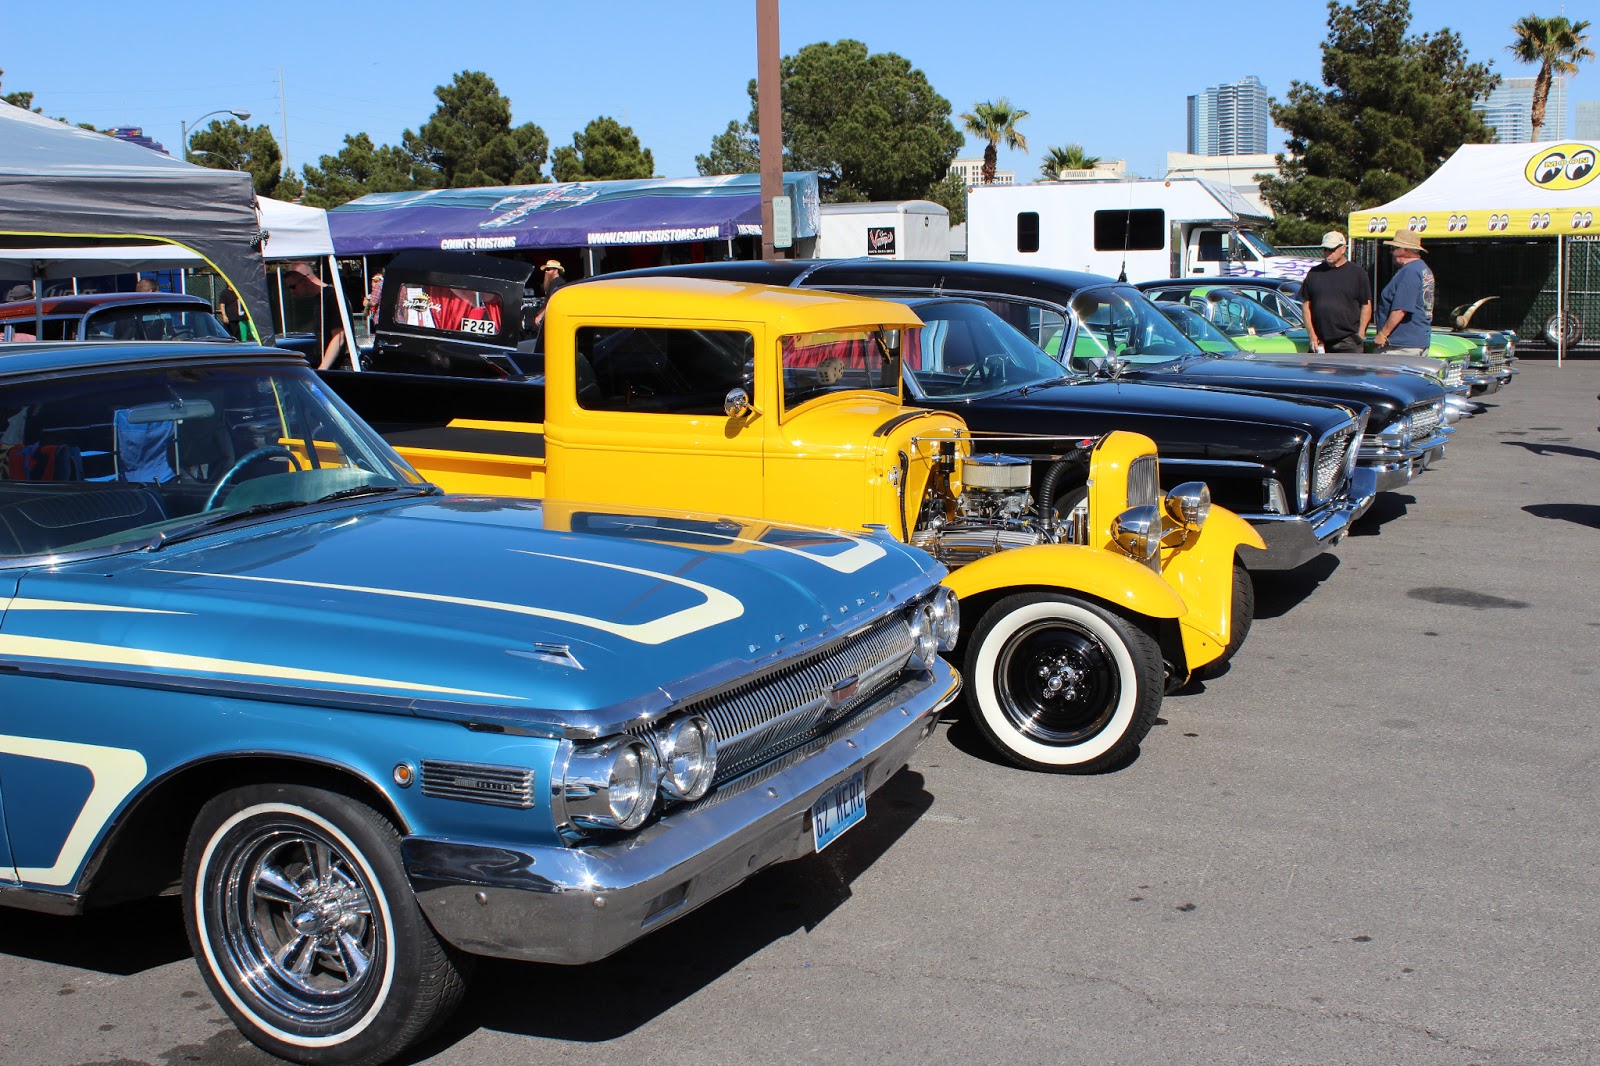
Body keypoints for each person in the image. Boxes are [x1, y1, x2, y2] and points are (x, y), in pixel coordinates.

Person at [1300, 231, 1371, 354]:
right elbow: (1306, 306)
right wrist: (1312, 335)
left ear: (1343, 249)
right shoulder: (1314, 273)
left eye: (1331, 249)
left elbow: (1366, 305)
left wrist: (1360, 334)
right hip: (1320, 341)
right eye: (1325, 249)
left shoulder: (1357, 273)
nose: (1328, 253)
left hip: (1349, 341)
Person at [1374, 230, 1434, 356]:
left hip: (1401, 346)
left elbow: (1401, 309)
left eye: (1393, 248)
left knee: (1388, 375)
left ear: (1403, 250)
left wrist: (1383, 334)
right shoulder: (1422, 269)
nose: (1391, 252)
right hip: (1414, 341)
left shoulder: (1410, 271)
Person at [283, 263, 348, 369]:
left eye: (292, 287)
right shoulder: (320, 299)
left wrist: (322, 370)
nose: (291, 291)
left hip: (340, 367)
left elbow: (339, 338)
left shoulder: (333, 297)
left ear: (304, 281)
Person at [532, 260, 567, 326]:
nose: (546, 271)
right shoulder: (553, 283)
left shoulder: (557, 283)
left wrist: (540, 316)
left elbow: (552, 302)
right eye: (546, 269)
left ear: (555, 271)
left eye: (548, 269)